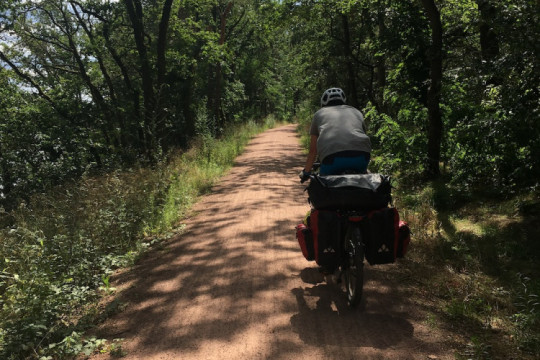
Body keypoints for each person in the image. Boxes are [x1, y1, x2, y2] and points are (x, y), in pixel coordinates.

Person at [300, 87, 371, 182]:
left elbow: (313, 151)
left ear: (323, 102)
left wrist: (306, 172)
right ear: (344, 100)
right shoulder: (357, 112)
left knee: (322, 187)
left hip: (332, 159)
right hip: (362, 157)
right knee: (364, 184)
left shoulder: (319, 114)